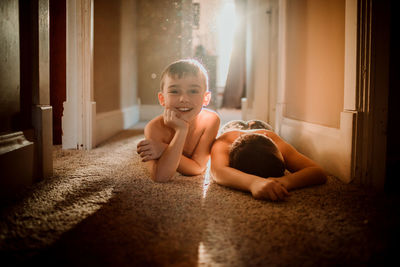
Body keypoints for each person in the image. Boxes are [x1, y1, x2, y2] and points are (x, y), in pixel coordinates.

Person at [137, 59, 220, 182]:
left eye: (193, 91)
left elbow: (197, 168)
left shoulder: (211, 120)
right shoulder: (154, 127)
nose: (184, 99)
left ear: (206, 98)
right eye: (174, 91)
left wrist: (163, 149)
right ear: (162, 98)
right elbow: (161, 176)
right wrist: (181, 130)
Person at [210, 120, 327, 201]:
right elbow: (218, 172)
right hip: (230, 129)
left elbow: (318, 172)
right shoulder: (223, 142)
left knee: (256, 124)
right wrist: (253, 183)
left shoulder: (275, 142)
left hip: (260, 126)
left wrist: (285, 181)